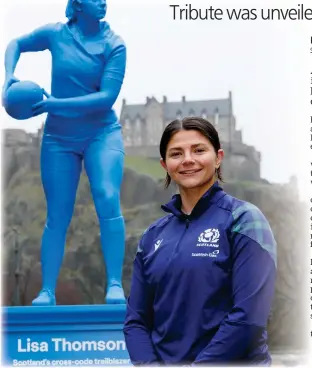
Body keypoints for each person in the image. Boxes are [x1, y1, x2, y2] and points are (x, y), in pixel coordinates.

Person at [123, 117, 277, 366]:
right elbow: (136, 321)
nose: (187, 160)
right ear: (164, 164)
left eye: (198, 150)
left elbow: (249, 317)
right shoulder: (152, 236)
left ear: (218, 157)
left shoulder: (245, 220)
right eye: (176, 153)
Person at [2, 0, 127, 306]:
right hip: (59, 137)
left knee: (107, 196)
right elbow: (16, 43)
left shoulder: (115, 45)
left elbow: (106, 98)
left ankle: (114, 284)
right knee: (57, 213)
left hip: (101, 132)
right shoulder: (56, 34)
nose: (102, 2)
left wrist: (54, 104)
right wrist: (9, 77)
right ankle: (46, 291)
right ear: (77, 4)